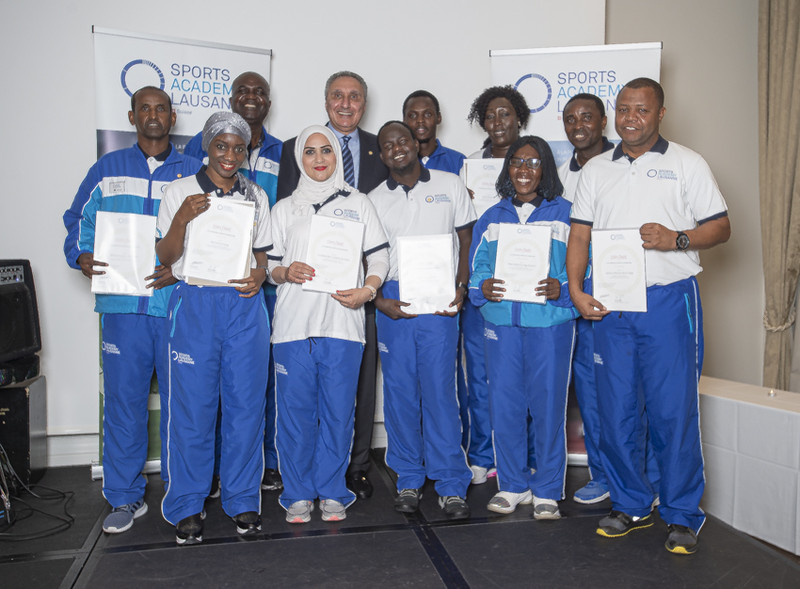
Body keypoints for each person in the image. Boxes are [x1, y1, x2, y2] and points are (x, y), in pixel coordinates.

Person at [567, 78, 730, 554]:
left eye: (641, 109)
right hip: (611, 304)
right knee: (615, 409)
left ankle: (681, 512)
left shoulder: (687, 163)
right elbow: (580, 235)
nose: (630, 118)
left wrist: (677, 238)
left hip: (667, 300)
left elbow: (721, 227)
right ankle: (631, 503)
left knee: (672, 409)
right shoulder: (596, 169)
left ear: (660, 113)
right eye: (623, 109)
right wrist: (576, 290)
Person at [63, 86, 201, 535]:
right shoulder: (106, 169)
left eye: (161, 108)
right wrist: (81, 254)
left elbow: (211, 235)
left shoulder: (193, 171)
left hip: (176, 307)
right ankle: (124, 496)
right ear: (132, 116)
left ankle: (184, 497)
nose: (153, 115)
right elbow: (77, 220)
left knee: (185, 406)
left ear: (173, 117)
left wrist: (181, 271)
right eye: (145, 108)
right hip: (123, 307)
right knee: (124, 403)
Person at [156, 112, 271, 545]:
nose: (230, 155)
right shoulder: (179, 191)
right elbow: (165, 257)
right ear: (207, 146)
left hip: (244, 305)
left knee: (246, 406)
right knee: (193, 408)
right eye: (221, 146)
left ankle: (242, 498)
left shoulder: (256, 195)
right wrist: (182, 219)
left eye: (238, 148)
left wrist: (260, 274)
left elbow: (262, 255)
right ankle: (187, 503)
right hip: (196, 304)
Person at [268, 125, 389, 524]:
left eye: (326, 150)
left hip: (343, 325)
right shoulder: (284, 209)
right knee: (295, 415)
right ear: (299, 159)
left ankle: (333, 489)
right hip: (293, 328)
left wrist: (367, 291)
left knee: (339, 413)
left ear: (338, 155)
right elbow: (269, 267)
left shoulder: (359, 203)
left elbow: (380, 258)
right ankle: (297, 492)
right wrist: (286, 271)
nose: (319, 159)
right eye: (310, 151)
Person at [369, 121, 475, 519]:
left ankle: (451, 482)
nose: (397, 148)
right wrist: (379, 301)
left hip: (439, 297)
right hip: (395, 298)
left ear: (416, 143)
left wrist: (461, 286)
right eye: (388, 145)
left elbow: (466, 239)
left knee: (440, 391)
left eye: (403, 140)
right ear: (381, 155)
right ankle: (409, 478)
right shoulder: (374, 199)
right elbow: (366, 256)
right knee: (399, 392)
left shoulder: (450, 184)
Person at [184, 70, 283, 492]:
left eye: (259, 91)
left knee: (254, 391)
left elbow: (271, 240)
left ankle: (255, 475)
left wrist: (263, 271)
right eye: (243, 90)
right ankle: (206, 477)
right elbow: (173, 239)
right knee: (202, 395)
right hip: (203, 295)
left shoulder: (281, 157)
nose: (251, 97)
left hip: (257, 292)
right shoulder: (190, 165)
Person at [470, 136, 578, 519]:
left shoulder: (567, 214)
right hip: (502, 323)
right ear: (507, 168)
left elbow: (585, 266)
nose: (523, 170)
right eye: (516, 162)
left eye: (533, 162)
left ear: (545, 168)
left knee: (548, 405)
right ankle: (512, 484)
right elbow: (477, 267)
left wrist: (562, 288)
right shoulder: (492, 216)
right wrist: (481, 287)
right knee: (505, 404)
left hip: (550, 323)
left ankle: (547, 489)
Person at [461, 85, 533, 484]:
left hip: (527, 285)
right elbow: (461, 227)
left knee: (527, 378)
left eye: (505, 113)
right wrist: (465, 198)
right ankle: (482, 454)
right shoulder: (470, 166)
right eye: (490, 115)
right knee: (482, 376)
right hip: (485, 285)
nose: (497, 121)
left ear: (518, 117)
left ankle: (528, 456)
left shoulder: (536, 160)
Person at [557, 93, 614, 505]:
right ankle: (603, 473)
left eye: (587, 117)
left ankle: (642, 475)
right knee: (590, 392)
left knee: (628, 391)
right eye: (570, 119)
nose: (579, 126)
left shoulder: (623, 165)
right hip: (574, 295)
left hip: (618, 292)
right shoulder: (560, 176)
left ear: (604, 121)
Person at [402, 90, 466, 174]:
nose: (420, 120)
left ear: (438, 118)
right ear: (404, 121)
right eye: (413, 115)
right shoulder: (397, 162)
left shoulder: (458, 161)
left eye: (428, 114)